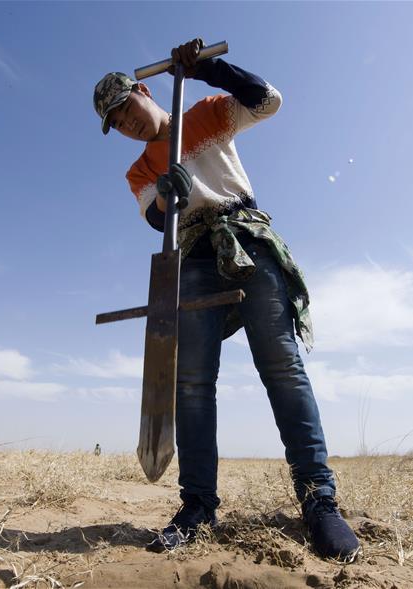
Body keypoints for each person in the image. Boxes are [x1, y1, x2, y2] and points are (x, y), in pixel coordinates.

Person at [93, 39, 360, 562]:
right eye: (116, 123)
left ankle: (318, 500)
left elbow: (268, 101)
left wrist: (210, 69)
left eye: (126, 108)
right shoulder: (140, 170)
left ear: (145, 91)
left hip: (246, 241)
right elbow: (154, 216)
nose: (126, 123)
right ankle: (197, 506)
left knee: (281, 364)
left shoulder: (208, 113)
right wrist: (170, 195)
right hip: (191, 258)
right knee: (191, 383)